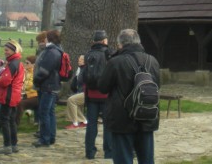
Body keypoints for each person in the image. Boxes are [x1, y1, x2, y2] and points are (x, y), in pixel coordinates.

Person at [98, 29, 160, 164]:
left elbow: (102, 88)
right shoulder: (153, 61)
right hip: (147, 115)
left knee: (123, 159)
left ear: (120, 44)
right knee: (147, 159)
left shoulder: (115, 62)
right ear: (139, 42)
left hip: (122, 118)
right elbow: (157, 86)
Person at [84, 30, 112, 160]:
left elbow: (84, 76)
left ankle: (89, 152)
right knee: (108, 125)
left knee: (91, 124)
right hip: (106, 95)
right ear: (104, 41)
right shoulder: (108, 54)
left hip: (91, 94)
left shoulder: (88, 54)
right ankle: (109, 152)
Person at [32, 29, 63, 148]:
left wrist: (37, 80)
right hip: (52, 84)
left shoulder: (52, 52)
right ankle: (51, 136)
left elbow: (45, 70)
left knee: (44, 112)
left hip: (47, 86)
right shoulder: (57, 50)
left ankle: (45, 138)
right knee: (50, 112)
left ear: (48, 39)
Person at [0, 40, 25, 155]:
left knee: (5, 120)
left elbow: (5, 81)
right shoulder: (18, 62)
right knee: (11, 120)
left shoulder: (12, 64)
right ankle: (14, 144)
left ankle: (7, 145)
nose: (5, 52)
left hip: (8, 95)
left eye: (7, 50)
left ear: (13, 50)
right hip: (15, 95)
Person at [66, 54, 88, 129]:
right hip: (80, 92)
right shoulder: (80, 69)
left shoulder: (86, 69)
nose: (79, 61)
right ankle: (84, 121)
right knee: (74, 101)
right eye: (79, 59)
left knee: (71, 100)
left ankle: (75, 123)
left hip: (86, 92)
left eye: (81, 60)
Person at [16, 55, 38, 127]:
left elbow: (31, 86)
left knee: (20, 104)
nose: (25, 64)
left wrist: (23, 90)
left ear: (33, 65)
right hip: (26, 94)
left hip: (35, 96)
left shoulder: (36, 73)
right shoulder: (26, 72)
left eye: (27, 63)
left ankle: (15, 124)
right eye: (25, 63)